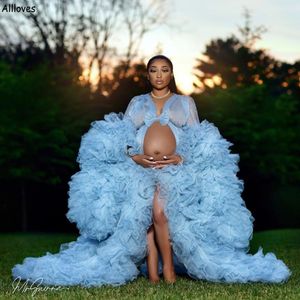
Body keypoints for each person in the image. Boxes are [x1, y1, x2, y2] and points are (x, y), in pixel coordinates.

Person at [12, 55, 292, 287]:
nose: (159, 75)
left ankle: (168, 271)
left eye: (165, 70)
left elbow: (197, 139)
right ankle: (154, 273)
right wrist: (136, 157)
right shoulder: (138, 103)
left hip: (173, 171)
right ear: (148, 75)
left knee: (160, 212)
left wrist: (179, 158)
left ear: (171, 74)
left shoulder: (185, 103)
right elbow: (122, 139)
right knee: (143, 217)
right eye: (154, 70)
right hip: (140, 170)